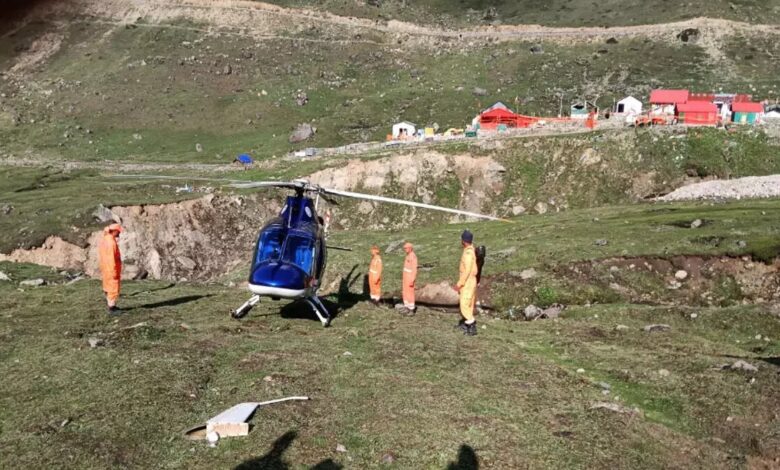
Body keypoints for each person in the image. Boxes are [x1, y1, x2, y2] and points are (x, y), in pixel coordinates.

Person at [455, 230, 478, 336]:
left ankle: (472, 324)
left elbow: (467, 270)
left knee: (464, 303)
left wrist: (460, 283)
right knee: (468, 303)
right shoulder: (470, 250)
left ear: (464, 241)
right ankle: (466, 323)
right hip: (470, 281)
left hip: (468, 282)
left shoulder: (468, 253)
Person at [98, 223, 123, 314]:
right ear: (114, 231)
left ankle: (110, 305)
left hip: (106, 268)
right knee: (113, 288)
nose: (119, 233)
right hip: (111, 268)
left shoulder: (105, 239)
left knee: (108, 286)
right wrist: (114, 271)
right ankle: (112, 308)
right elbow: (111, 258)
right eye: (118, 232)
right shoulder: (111, 242)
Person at [402, 242, 417, 314]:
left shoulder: (413, 256)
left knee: (410, 293)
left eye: (406, 248)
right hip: (405, 277)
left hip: (409, 277)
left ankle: (411, 309)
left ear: (410, 248)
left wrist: (412, 279)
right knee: (405, 292)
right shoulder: (408, 255)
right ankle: (407, 306)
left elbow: (414, 269)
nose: (405, 249)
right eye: (404, 248)